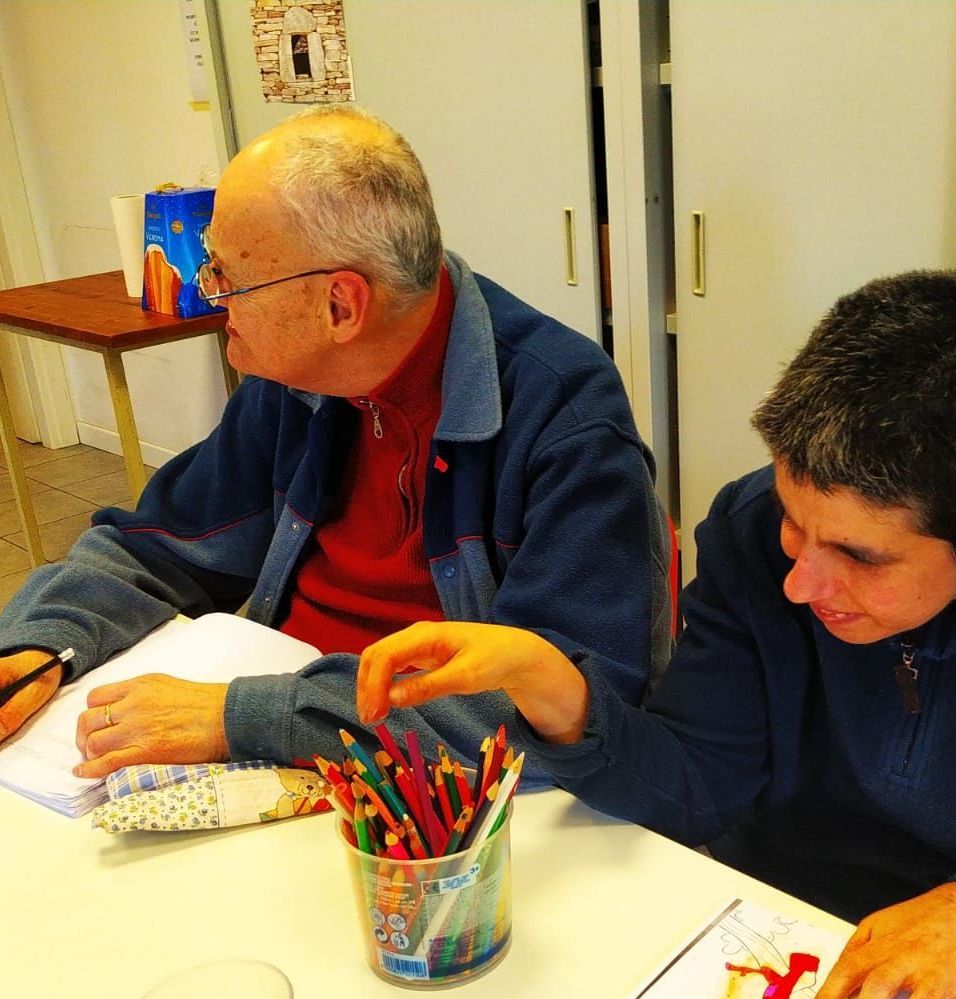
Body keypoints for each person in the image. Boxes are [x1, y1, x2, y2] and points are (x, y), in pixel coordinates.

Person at [355, 271, 956, 999]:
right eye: (794, 519)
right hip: (782, 924)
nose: (800, 579)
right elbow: (701, 783)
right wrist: (557, 691)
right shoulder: (754, 532)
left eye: (860, 558)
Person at [0, 105, 669, 780]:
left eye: (228, 278)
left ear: (341, 305)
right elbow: (154, 544)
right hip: (294, 727)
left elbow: (565, 705)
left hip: (435, 794)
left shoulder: (562, 413)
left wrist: (241, 719)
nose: (209, 297)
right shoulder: (296, 377)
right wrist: (40, 647)